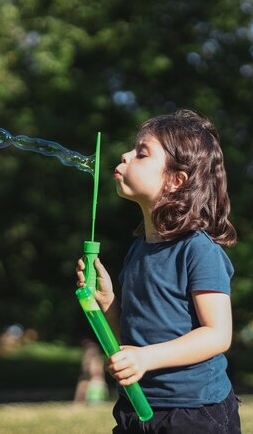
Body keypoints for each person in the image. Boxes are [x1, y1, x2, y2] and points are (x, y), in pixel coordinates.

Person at [76, 109, 241, 433]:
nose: (124, 155)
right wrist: (109, 304)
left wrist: (146, 359)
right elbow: (132, 337)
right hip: (137, 406)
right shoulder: (138, 250)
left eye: (141, 153)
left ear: (175, 180)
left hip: (194, 411)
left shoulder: (198, 250)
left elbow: (218, 334)